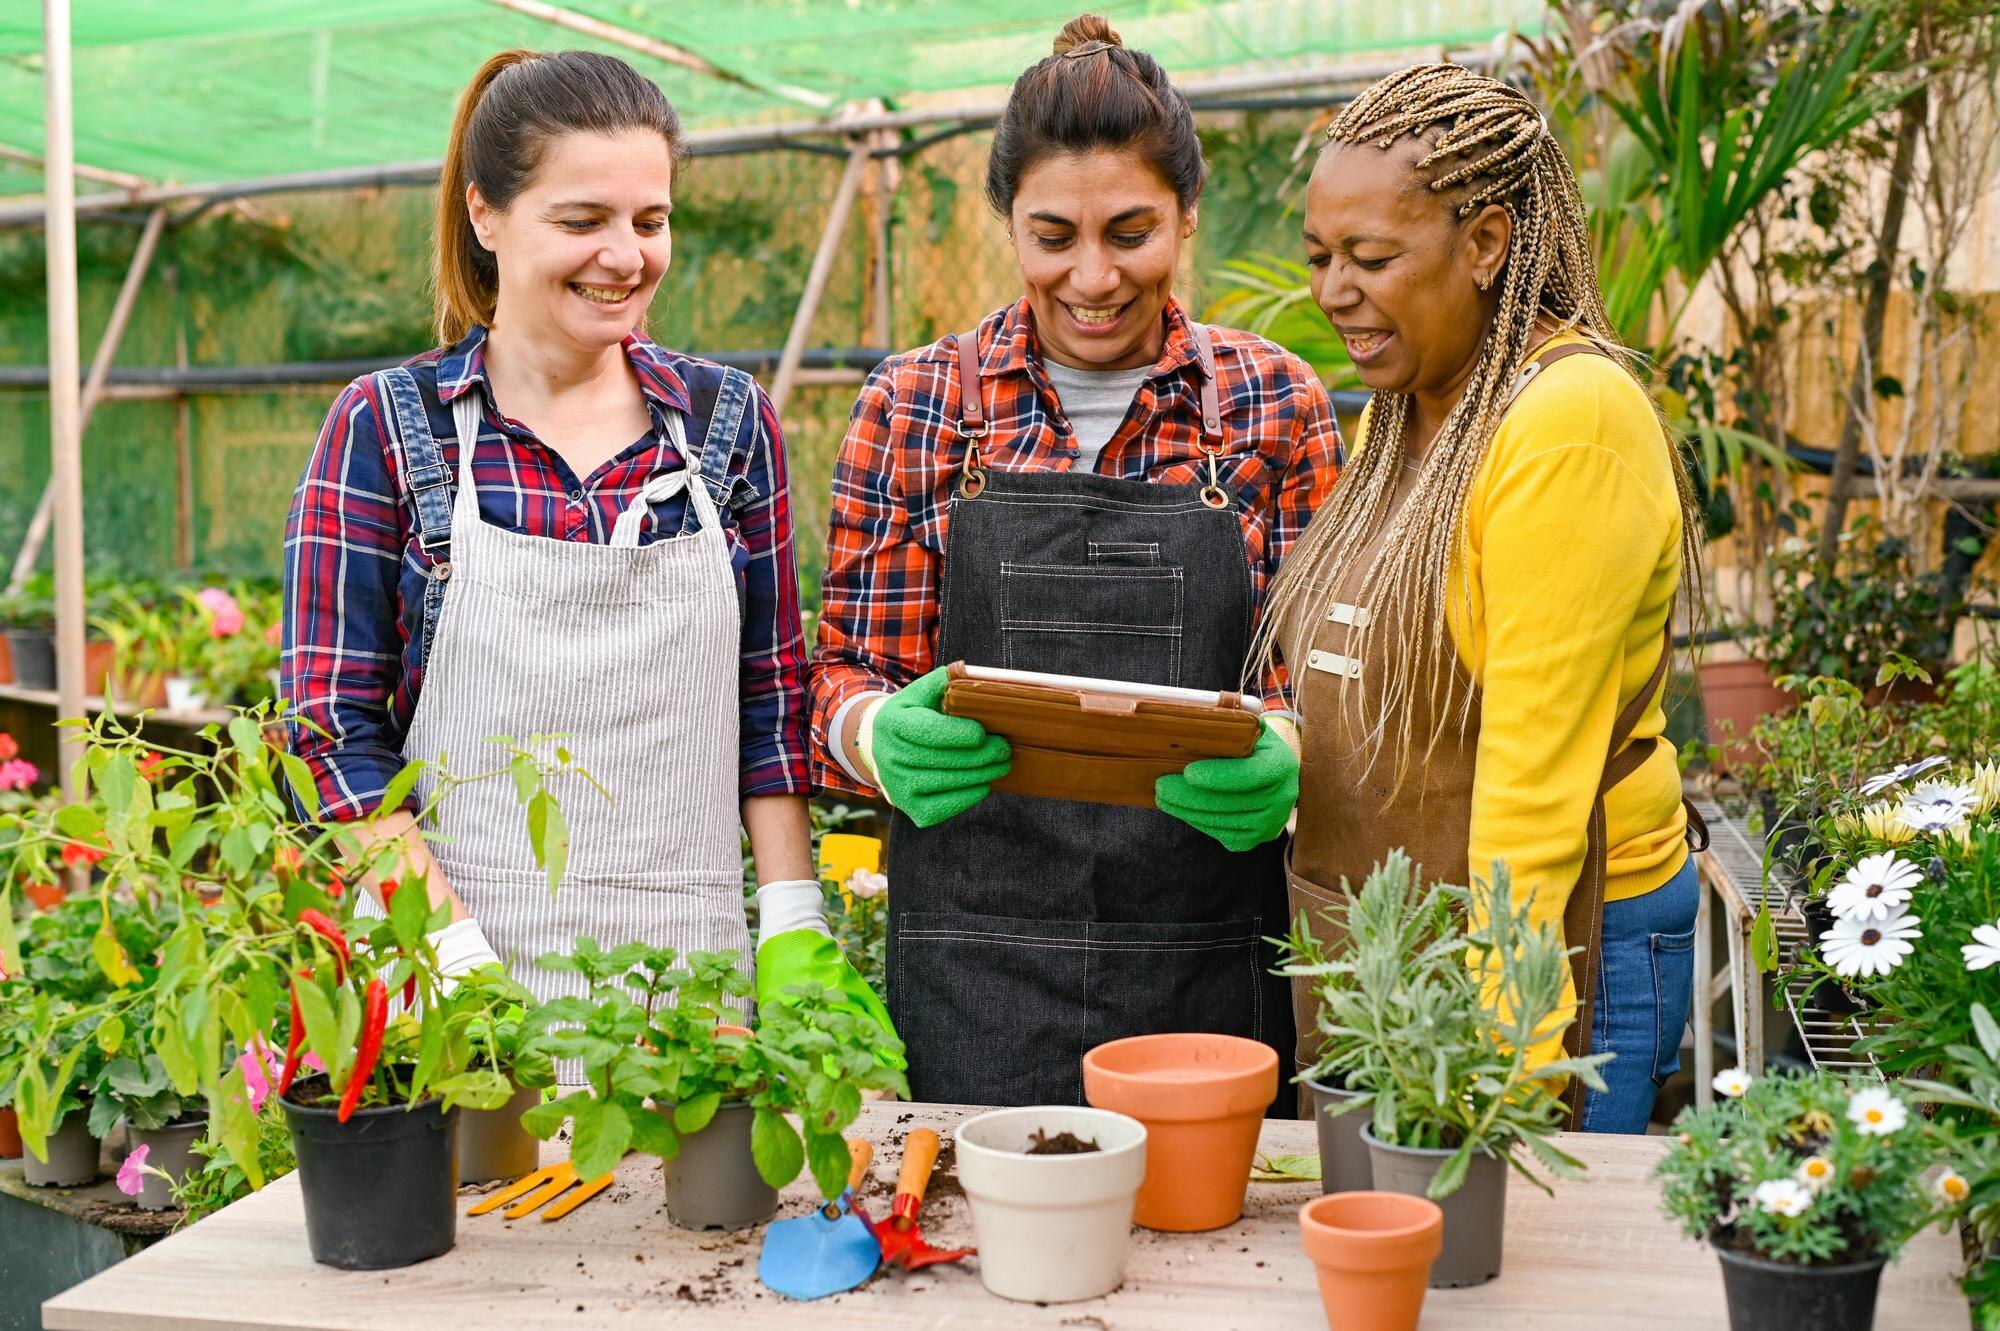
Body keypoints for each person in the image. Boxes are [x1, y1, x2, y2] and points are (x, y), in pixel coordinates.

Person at [281, 49, 885, 1029]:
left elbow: (769, 694)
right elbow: (325, 732)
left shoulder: (728, 423)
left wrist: (790, 915)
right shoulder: (388, 427)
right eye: (582, 221)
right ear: (486, 215)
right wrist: (444, 948)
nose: (625, 255)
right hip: (453, 978)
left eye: (650, 221)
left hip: (691, 983)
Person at [809, 15, 1343, 1107]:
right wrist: (868, 734)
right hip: (970, 967)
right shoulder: (915, 408)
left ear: (1186, 216)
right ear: (1007, 222)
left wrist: (1291, 748)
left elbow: (1321, 676)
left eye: (1130, 231)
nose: (1091, 276)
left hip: (1203, 958)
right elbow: (844, 668)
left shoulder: (1271, 404)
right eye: (1052, 235)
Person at [1263, 64, 1707, 1131]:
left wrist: (1507, 1065)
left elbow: (1531, 794)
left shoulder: (1567, 423)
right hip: (1388, 944)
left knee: (1530, 1279)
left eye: (1371, 258)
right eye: (1320, 257)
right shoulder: (1404, 414)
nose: (1332, 292)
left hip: (1554, 941)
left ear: (1486, 243)